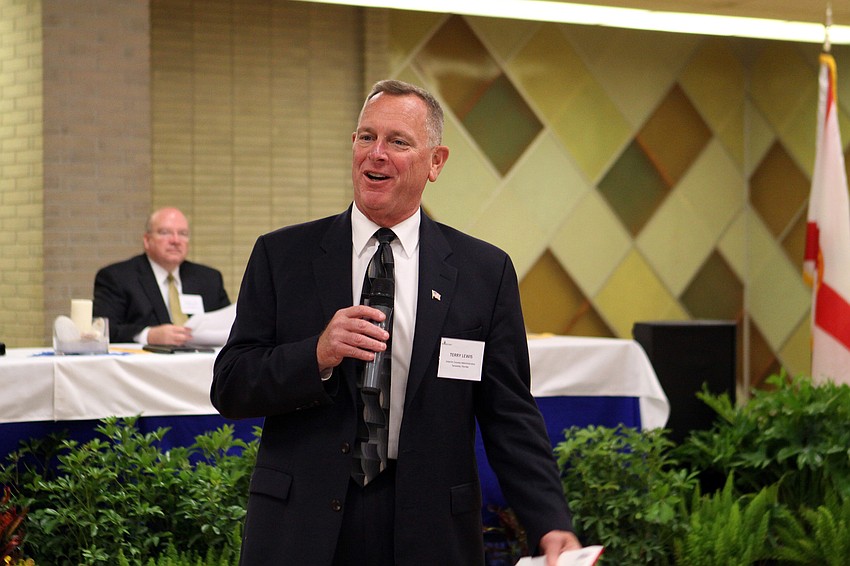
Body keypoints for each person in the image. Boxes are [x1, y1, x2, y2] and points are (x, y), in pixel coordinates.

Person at [211, 80, 581, 565]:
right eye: (366, 137)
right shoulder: (283, 256)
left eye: (398, 141)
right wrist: (317, 354)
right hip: (303, 527)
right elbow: (232, 384)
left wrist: (551, 523)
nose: (376, 154)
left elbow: (509, 414)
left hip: (429, 531)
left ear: (436, 162)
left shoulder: (483, 273)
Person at [93, 207, 230, 345]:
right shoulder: (117, 277)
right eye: (165, 233)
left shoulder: (209, 279)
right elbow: (103, 329)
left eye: (183, 233)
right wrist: (148, 336)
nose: (176, 240)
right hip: (147, 364)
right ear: (147, 240)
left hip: (204, 363)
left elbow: (229, 326)